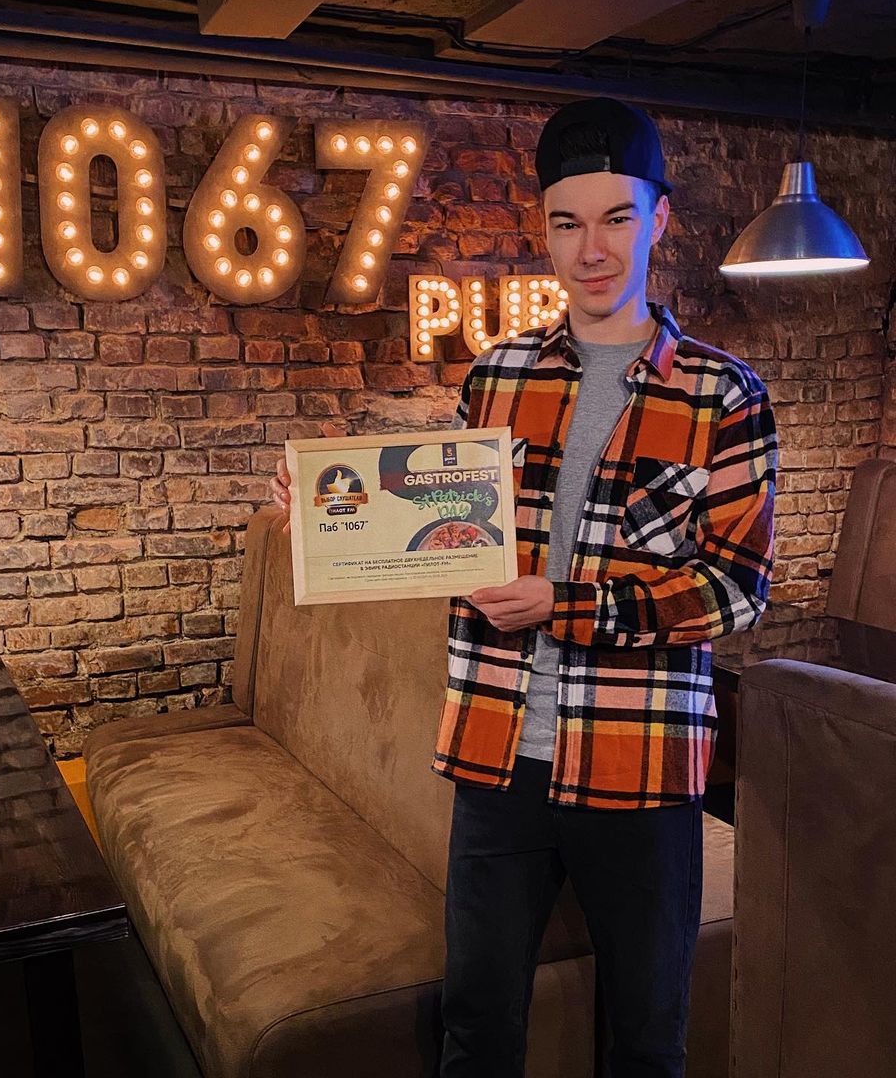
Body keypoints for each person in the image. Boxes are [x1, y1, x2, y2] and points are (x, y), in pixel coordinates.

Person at [270, 96, 778, 1078]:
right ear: (543, 228)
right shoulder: (495, 377)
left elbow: (735, 590)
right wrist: (329, 517)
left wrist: (566, 606)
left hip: (641, 765)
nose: (593, 249)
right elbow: (448, 535)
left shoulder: (725, 395)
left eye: (617, 218)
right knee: (476, 1032)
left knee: (646, 1042)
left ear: (659, 219)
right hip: (497, 757)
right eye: (567, 222)